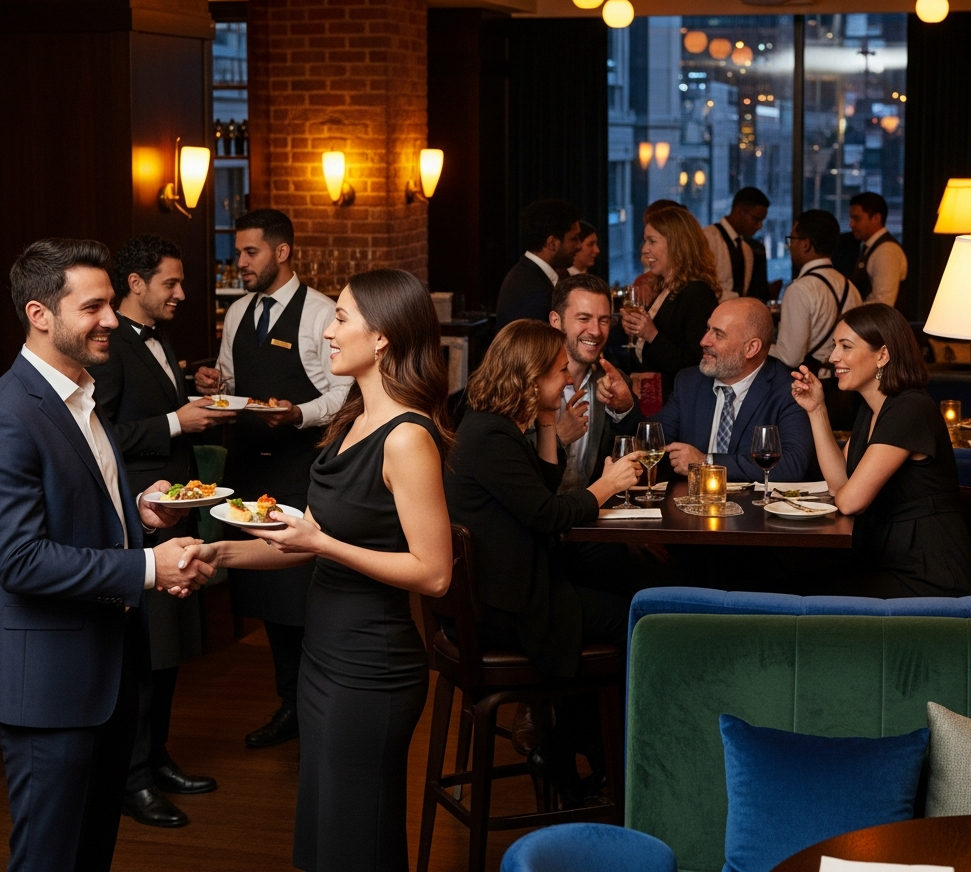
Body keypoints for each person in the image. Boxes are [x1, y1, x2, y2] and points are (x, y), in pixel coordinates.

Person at [182, 269, 453, 872]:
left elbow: (434, 574)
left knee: (360, 837)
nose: (329, 331)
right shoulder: (351, 422)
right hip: (327, 652)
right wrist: (218, 554)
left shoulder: (408, 438)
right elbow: (303, 544)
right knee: (327, 831)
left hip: (373, 666)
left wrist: (323, 541)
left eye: (342, 318)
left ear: (381, 338)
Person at [0, 238, 212, 872]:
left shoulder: (82, 395)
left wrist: (137, 518)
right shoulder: (13, 412)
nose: (113, 320)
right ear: (41, 315)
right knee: (48, 858)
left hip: (112, 671)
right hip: (52, 688)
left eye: (111, 305)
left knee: (90, 854)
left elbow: (78, 513)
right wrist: (149, 567)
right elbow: (19, 560)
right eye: (93, 307)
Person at [444, 319, 641, 801]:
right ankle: (581, 747)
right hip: (504, 611)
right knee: (634, 621)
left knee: (618, 581)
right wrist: (606, 486)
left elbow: (541, 487)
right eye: (558, 373)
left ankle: (577, 743)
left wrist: (548, 419)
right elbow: (547, 513)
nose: (570, 380)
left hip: (507, 591)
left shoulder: (494, 425)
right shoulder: (490, 435)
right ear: (530, 378)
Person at [195, 209, 351, 750]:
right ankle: (291, 703)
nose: (240, 263)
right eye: (239, 252)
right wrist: (215, 383)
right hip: (249, 466)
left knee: (302, 590)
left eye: (250, 252)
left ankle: (319, 706)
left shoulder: (322, 313)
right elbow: (235, 385)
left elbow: (342, 395)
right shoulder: (237, 312)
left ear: (282, 253)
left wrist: (297, 414)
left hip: (299, 467)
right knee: (267, 597)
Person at [90, 236, 224, 828]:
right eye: (170, 283)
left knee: (168, 652)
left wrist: (193, 390)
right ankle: (132, 778)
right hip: (138, 512)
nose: (181, 293)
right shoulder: (111, 341)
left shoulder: (157, 336)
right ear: (135, 284)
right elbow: (107, 433)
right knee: (146, 653)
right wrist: (177, 419)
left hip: (175, 504)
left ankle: (157, 756)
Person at [791, 303, 971, 597]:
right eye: (835, 346)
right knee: (787, 579)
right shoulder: (872, 408)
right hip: (886, 557)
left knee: (802, 589)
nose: (833, 357)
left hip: (929, 571)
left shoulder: (909, 408)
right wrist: (816, 409)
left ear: (883, 355)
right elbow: (839, 484)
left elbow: (850, 502)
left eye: (845, 346)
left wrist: (844, 494)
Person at [655, 297, 813, 483]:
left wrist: (707, 462)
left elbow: (792, 466)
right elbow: (653, 442)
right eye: (708, 329)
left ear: (751, 348)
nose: (704, 341)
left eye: (718, 334)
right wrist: (624, 408)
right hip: (693, 505)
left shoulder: (789, 389)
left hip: (756, 510)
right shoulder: (689, 382)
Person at [547, 273, 641, 492]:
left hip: (591, 519)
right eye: (583, 318)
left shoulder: (613, 379)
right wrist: (559, 438)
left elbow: (641, 455)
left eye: (604, 320)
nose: (596, 331)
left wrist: (625, 408)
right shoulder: (527, 381)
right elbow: (507, 464)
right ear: (556, 321)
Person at [771, 210, 862, 430]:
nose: (790, 245)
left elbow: (791, 356)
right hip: (847, 389)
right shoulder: (851, 288)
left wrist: (757, 344)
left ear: (805, 244)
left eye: (792, 239)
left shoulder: (799, 289)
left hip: (813, 390)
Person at [620, 206, 720, 398]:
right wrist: (636, 332)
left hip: (680, 405)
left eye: (652, 241)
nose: (645, 249)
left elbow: (700, 365)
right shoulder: (666, 289)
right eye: (645, 241)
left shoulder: (697, 292)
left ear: (677, 245)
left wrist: (651, 335)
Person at [496, 199, 581, 329]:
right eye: (574, 238)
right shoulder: (532, 291)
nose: (579, 245)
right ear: (552, 242)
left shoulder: (528, 275)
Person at [702, 186, 771, 301]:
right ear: (741, 212)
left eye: (761, 221)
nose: (759, 226)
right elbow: (703, 289)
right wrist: (740, 299)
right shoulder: (708, 238)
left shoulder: (747, 249)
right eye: (756, 220)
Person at [848, 191, 908, 308]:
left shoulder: (886, 251)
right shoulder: (871, 247)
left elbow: (883, 302)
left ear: (876, 218)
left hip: (878, 325)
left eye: (856, 219)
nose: (851, 224)